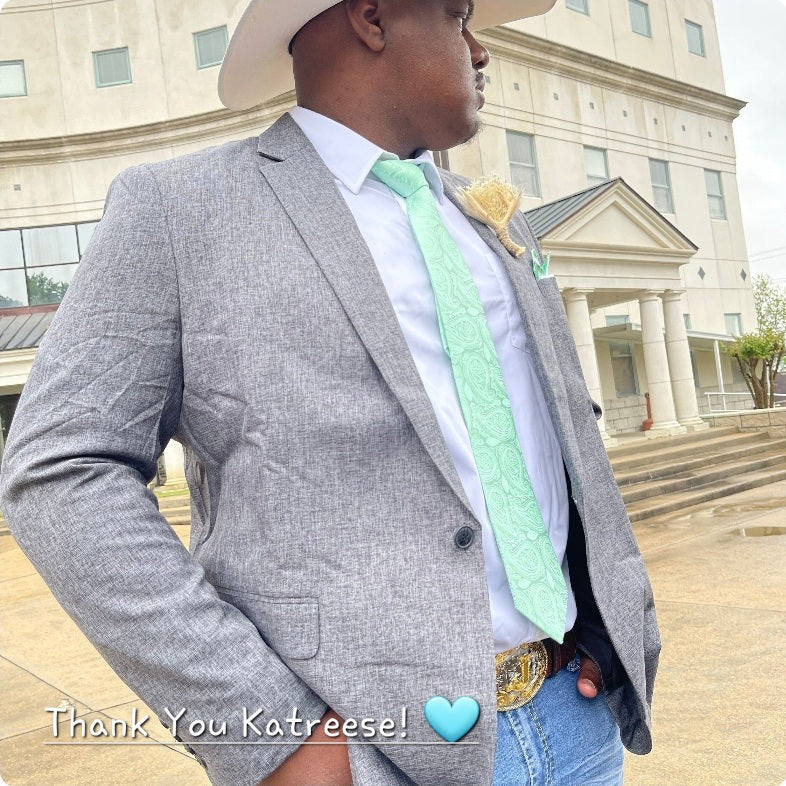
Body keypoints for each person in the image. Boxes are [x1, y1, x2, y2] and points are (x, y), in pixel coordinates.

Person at [0, 1, 660, 785]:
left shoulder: (487, 225)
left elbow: (546, 439)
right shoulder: (180, 212)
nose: (481, 51)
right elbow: (61, 471)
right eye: (458, 17)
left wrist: (602, 623)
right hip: (369, 756)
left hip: (574, 714)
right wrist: (271, 735)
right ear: (373, 19)